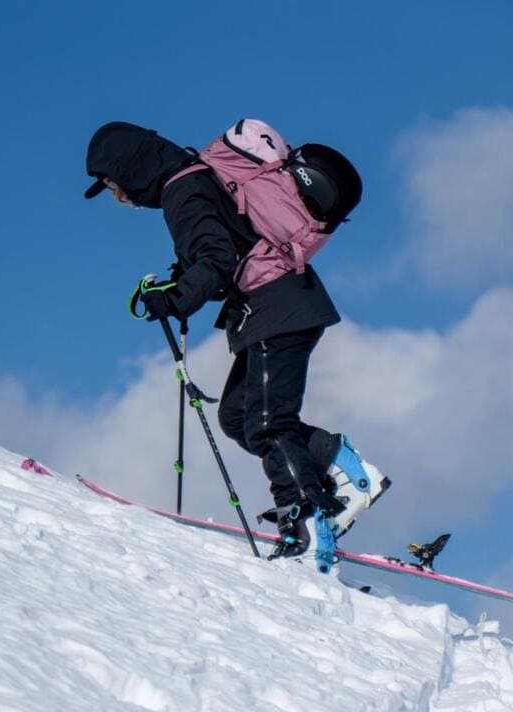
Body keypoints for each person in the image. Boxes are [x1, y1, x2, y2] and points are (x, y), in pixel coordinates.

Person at [84, 121, 390, 562]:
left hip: (276, 307)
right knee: (237, 417)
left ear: (132, 168)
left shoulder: (182, 191)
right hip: (279, 306)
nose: (121, 199)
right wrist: (177, 284)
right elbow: (226, 247)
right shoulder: (195, 179)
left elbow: (217, 260)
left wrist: (176, 299)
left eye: (115, 186)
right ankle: (341, 468)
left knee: (267, 422)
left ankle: (305, 526)